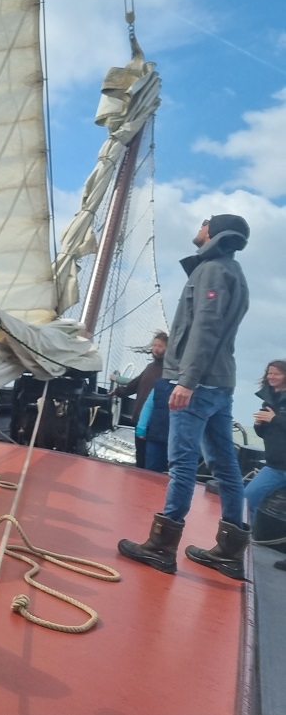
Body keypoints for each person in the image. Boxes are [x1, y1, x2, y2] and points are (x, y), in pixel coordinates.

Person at [118, 215, 251, 580]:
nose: (199, 226)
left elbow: (205, 327)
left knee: (182, 464)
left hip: (199, 384)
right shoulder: (233, 272)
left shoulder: (210, 271)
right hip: (220, 384)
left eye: (206, 222)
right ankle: (229, 551)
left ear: (215, 232)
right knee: (226, 466)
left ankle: (161, 547)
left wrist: (187, 381)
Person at [244, 361, 286, 570]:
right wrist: (259, 425)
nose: (272, 377)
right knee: (248, 497)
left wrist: (275, 418)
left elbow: (279, 423)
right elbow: (266, 433)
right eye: (269, 373)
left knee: (248, 497)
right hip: (276, 463)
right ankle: (241, 543)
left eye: (276, 373)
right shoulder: (269, 400)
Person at [110, 332, 169, 468]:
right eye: (154, 345)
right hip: (140, 420)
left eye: (160, 346)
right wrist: (118, 392)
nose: (156, 349)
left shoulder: (169, 371)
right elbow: (135, 385)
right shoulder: (150, 368)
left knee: (152, 463)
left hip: (155, 424)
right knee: (140, 459)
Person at [134, 378, 174, 474]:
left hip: (176, 440)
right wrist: (141, 427)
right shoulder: (160, 385)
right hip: (156, 437)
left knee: (174, 472)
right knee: (152, 470)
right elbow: (149, 405)